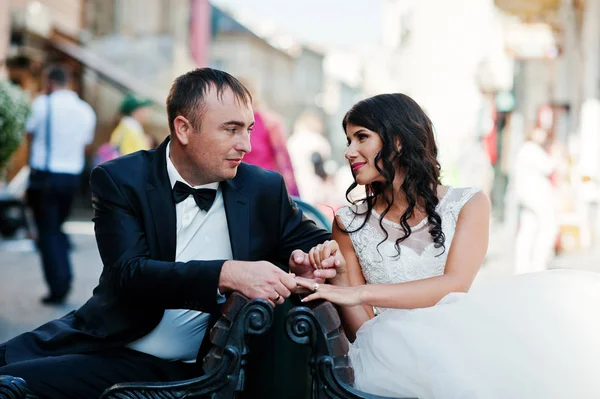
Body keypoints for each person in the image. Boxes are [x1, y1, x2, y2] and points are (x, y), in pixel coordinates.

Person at [0, 68, 333, 399]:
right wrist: (227, 273)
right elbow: (129, 274)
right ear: (184, 129)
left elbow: (321, 245)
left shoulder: (263, 189)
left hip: (181, 369)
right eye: (231, 130)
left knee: (11, 386)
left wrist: (311, 259)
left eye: (248, 129)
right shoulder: (121, 179)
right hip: (103, 337)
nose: (245, 144)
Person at [296, 93, 600, 398]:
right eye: (348, 140)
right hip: (388, 361)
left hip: (459, 344)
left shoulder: (467, 203)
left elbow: (454, 285)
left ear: (398, 140)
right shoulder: (349, 222)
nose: (349, 151)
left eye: (362, 137)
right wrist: (339, 277)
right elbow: (363, 332)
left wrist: (360, 292)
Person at [25, 64, 96, 305]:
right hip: (71, 177)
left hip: (45, 176)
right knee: (56, 226)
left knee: (48, 230)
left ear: (49, 82)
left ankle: (60, 284)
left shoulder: (42, 104)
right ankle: (62, 278)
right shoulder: (85, 110)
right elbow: (86, 144)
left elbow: (29, 135)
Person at [513, 126, 558, 274]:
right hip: (537, 196)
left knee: (528, 228)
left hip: (528, 197)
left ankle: (522, 265)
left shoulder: (525, 149)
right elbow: (549, 167)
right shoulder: (531, 149)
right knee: (547, 227)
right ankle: (538, 263)